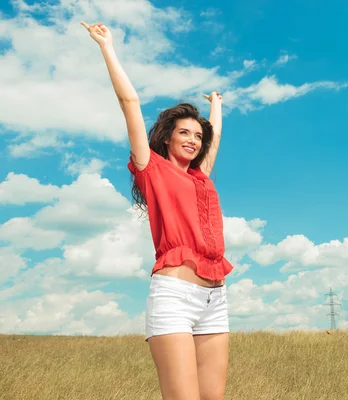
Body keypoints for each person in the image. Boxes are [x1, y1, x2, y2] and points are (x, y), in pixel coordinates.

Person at [81, 21, 233, 400]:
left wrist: (216, 106)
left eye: (197, 136)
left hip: (216, 301)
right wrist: (107, 46)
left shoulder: (200, 177)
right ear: (167, 137)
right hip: (174, 297)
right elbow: (129, 103)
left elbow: (214, 140)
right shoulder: (152, 169)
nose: (193, 140)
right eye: (184, 132)